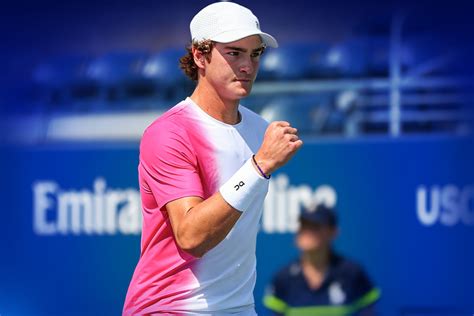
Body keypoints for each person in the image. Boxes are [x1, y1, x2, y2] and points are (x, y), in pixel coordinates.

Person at [123, 2, 302, 315]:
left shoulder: (259, 128)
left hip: (238, 307)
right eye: (234, 53)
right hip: (170, 308)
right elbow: (191, 236)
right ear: (199, 55)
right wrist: (258, 166)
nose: (248, 66)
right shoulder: (168, 132)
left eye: (255, 53)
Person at [263, 204, 380, 316]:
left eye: (314, 226)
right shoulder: (283, 278)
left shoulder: (352, 273)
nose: (306, 231)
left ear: (333, 232)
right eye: (303, 225)